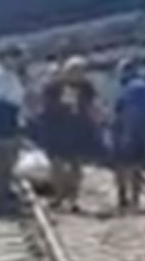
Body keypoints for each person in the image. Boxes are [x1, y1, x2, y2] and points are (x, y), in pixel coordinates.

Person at [39, 56, 102, 212]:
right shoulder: (53, 87)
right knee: (57, 165)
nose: (77, 74)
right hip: (57, 130)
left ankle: (74, 198)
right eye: (74, 71)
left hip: (78, 130)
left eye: (80, 71)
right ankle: (58, 196)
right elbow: (45, 106)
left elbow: (92, 106)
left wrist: (95, 121)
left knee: (76, 166)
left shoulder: (86, 87)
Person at [111, 58, 145, 211]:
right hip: (142, 131)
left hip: (124, 129)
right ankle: (135, 200)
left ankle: (122, 197)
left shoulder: (124, 88)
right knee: (137, 167)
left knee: (120, 166)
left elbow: (119, 111)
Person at [0, 44, 26, 212]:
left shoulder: (11, 75)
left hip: (11, 119)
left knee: (8, 160)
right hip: (1, 119)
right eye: (14, 57)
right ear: (5, 58)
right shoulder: (0, 75)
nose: (16, 61)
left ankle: (4, 190)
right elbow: (3, 99)